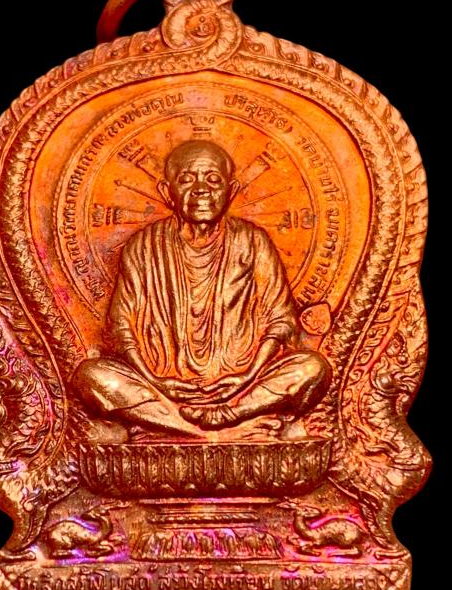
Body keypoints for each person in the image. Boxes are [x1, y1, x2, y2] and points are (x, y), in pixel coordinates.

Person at [73, 139, 331, 440]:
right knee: (91, 376)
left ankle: (229, 416)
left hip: (244, 385)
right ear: (167, 192)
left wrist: (247, 376)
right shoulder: (143, 246)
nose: (201, 190)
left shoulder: (253, 242)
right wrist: (154, 379)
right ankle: (205, 431)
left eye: (213, 179)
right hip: (161, 388)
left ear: (231, 190)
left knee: (312, 368)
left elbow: (280, 321)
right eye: (186, 179)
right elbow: (121, 327)